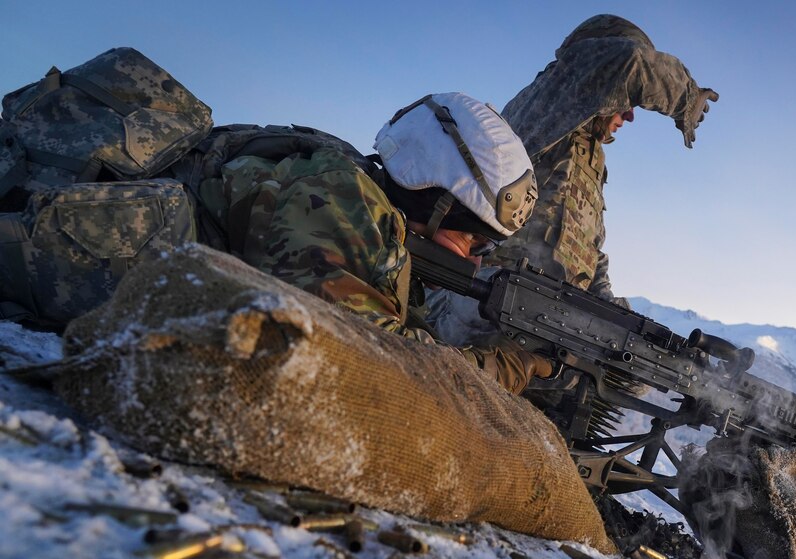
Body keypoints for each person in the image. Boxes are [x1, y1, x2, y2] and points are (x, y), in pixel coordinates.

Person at [169, 92, 550, 394]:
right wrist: (503, 369)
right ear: (433, 203)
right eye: (473, 241)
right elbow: (375, 369)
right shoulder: (342, 199)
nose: (475, 262)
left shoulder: (378, 219)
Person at [428, 14, 717, 344]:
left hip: (544, 314)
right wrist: (686, 96)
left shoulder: (588, 156)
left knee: (625, 376)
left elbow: (590, 251)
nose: (630, 115)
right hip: (487, 297)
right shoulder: (550, 103)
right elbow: (627, 64)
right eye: (627, 102)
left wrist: (614, 315)